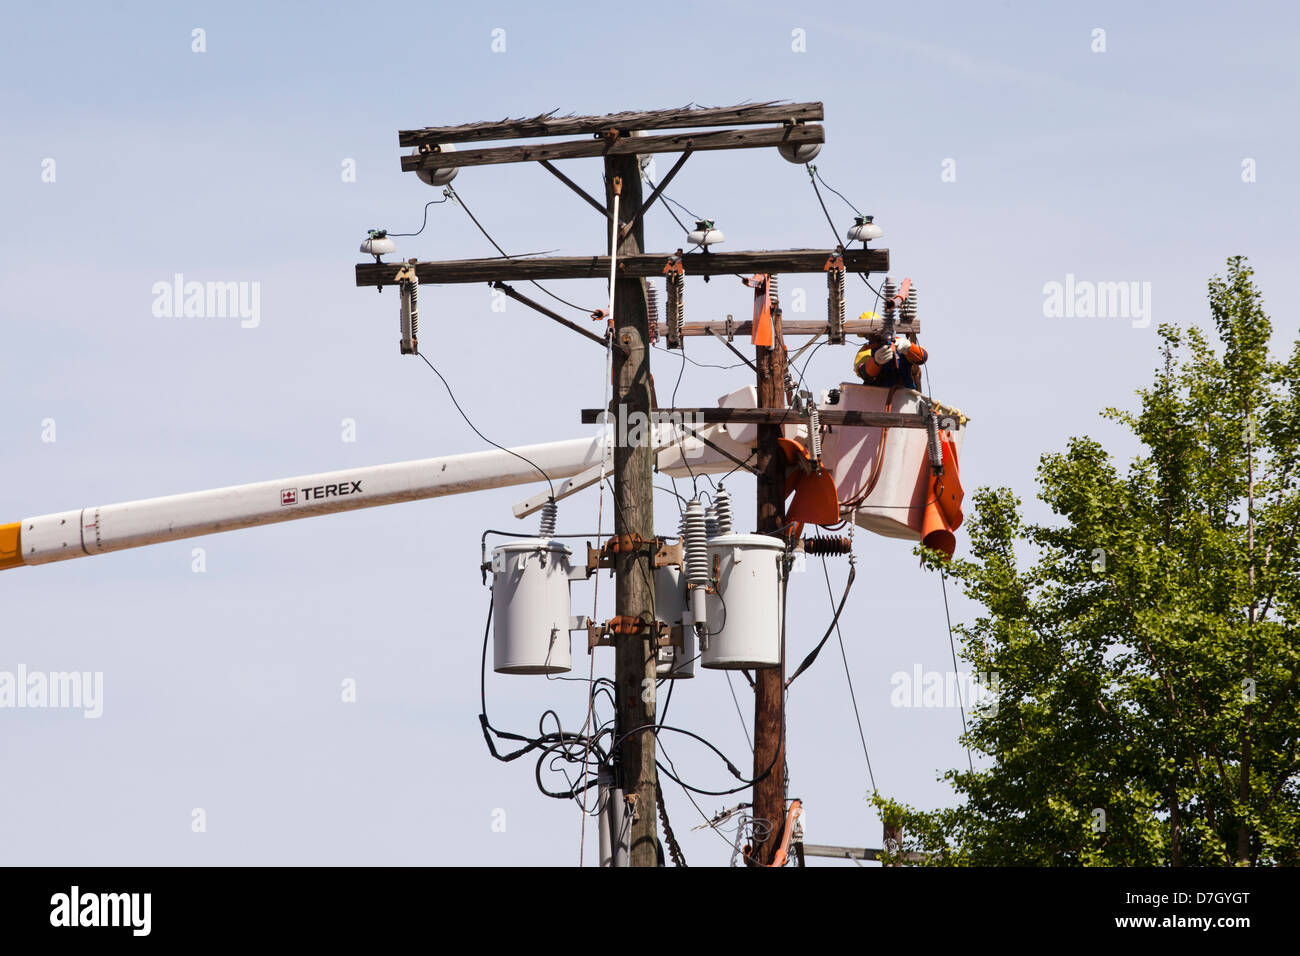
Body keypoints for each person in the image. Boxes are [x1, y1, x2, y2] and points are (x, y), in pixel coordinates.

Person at [853, 331, 928, 389]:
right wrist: (875, 362)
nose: (875, 335)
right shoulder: (865, 351)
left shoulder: (898, 342)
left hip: (905, 394)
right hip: (878, 396)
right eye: (871, 333)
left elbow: (922, 358)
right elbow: (864, 374)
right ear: (866, 336)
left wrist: (909, 348)